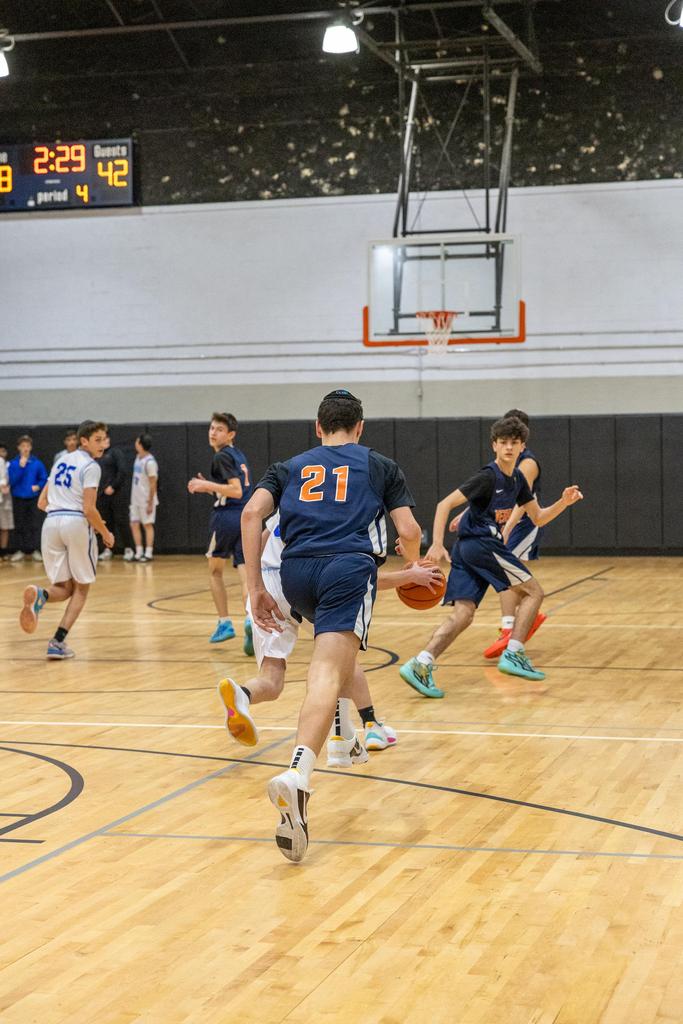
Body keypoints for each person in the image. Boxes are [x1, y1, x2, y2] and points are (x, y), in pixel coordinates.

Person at [241, 389, 422, 863]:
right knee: (327, 670)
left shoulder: (287, 467)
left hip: (295, 574)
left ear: (318, 427)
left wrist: (255, 586)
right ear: (360, 427)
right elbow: (407, 530)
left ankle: (346, 743)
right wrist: (414, 561)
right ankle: (299, 772)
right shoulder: (379, 465)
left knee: (338, 666)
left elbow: (251, 513)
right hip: (346, 568)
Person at [218, 510, 442, 761]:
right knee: (342, 654)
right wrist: (409, 576)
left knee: (272, 679)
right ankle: (370, 726)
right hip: (296, 580)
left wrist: (253, 584)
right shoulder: (338, 515)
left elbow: (262, 535)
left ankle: (242, 694)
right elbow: (361, 575)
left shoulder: (289, 502)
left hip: (265, 583)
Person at [399, 415, 583, 698]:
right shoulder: (488, 476)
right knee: (534, 592)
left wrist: (563, 502)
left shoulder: (518, 480)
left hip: (468, 550)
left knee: (464, 614)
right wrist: (436, 544)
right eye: (503, 442)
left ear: (522, 447)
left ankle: (421, 663)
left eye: (514, 442)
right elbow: (444, 504)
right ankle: (514, 652)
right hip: (481, 545)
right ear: (494, 445)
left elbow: (538, 517)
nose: (508, 447)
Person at [18, 420, 114, 659]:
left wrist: (62, 512)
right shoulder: (91, 466)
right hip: (76, 523)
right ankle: (57, 642)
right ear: (84, 441)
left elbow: (42, 502)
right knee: (81, 588)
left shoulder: (60, 461)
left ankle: (41, 595)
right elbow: (89, 509)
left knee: (64, 588)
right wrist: (105, 533)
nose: (103, 444)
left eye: (104, 439)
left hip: (51, 522)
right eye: (97, 440)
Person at [480, 408, 546, 659]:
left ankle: (510, 627)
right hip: (507, 523)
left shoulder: (527, 463)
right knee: (509, 574)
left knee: (506, 573)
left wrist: (506, 529)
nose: (508, 443)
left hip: (523, 524)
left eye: (514, 437)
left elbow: (521, 500)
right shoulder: (504, 462)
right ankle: (523, 617)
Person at [187, 412, 253, 647]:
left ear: (231, 434)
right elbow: (236, 490)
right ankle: (250, 619)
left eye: (219, 429)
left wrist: (205, 484)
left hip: (226, 518)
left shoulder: (222, 456)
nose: (213, 432)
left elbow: (235, 491)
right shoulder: (238, 454)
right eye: (212, 428)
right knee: (245, 573)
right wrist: (213, 488)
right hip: (245, 518)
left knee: (215, 571)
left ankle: (224, 623)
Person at [8, 435, 48, 563]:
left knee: (34, 524)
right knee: (19, 524)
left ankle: (34, 549)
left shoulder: (37, 463)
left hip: (33, 498)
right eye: (23, 446)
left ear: (31, 447)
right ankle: (20, 550)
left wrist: (38, 486)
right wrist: (21, 467)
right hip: (18, 498)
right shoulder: (13, 463)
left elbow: (44, 478)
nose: (25, 448)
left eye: (27, 446)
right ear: (18, 448)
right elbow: (11, 481)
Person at [97, 433, 127, 561]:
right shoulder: (98, 455)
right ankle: (108, 549)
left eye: (105, 438)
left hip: (115, 494)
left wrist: (113, 486)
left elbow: (122, 471)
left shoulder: (115, 452)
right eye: (101, 439)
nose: (104, 441)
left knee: (121, 520)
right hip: (101, 495)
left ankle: (128, 548)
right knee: (105, 522)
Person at [129, 433, 158, 562]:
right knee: (134, 524)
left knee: (147, 525)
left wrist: (150, 502)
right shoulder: (138, 457)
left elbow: (153, 483)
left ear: (140, 444)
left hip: (146, 499)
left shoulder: (150, 462)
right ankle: (139, 552)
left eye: (137, 441)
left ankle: (148, 553)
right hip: (135, 498)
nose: (135, 443)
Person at [0, 444, 13, 561]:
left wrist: (4, 485)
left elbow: (6, 479)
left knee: (4, 526)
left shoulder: (6, 463)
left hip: (4, 500)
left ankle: (3, 553)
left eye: (3, 451)